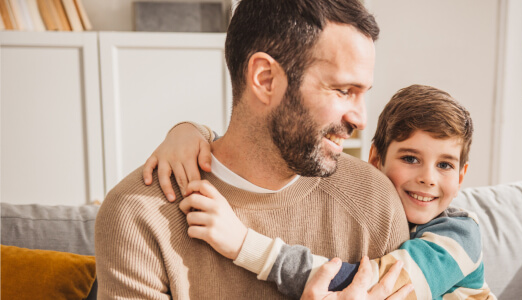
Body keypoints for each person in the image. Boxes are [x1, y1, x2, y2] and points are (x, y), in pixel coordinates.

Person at [94, 0, 413, 299]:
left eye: (363, 94)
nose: (360, 118)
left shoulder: (374, 199)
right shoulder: (138, 215)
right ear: (265, 79)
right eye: (343, 91)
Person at [146, 85, 497, 299]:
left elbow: (368, 287)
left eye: (446, 165)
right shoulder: (369, 213)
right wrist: (192, 132)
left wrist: (243, 244)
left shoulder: (459, 236)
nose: (428, 178)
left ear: (463, 174)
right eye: (410, 158)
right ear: (375, 158)